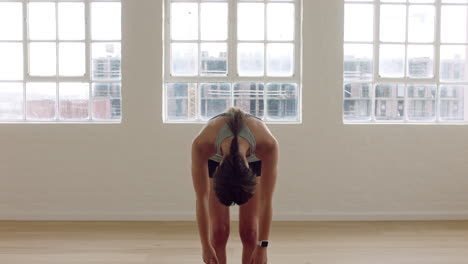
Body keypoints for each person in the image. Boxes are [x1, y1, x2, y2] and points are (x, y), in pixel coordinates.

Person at [191, 107, 279, 264]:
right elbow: (202, 198)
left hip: (254, 153)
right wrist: (205, 245)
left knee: (250, 231)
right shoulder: (202, 144)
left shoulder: (267, 144)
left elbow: (266, 200)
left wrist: (262, 247)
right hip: (216, 153)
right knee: (218, 231)